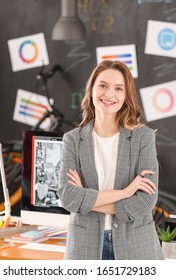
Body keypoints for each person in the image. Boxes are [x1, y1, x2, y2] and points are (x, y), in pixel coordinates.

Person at [57, 60, 164, 260]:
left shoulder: (143, 137)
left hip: (136, 247)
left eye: (118, 88)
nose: (109, 94)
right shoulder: (72, 139)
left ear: (126, 96)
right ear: (91, 90)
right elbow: (68, 196)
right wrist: (125, 193)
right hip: (85, 247)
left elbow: (145, 200)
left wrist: (86, 200)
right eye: (103, 86)